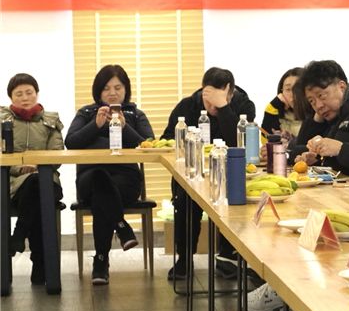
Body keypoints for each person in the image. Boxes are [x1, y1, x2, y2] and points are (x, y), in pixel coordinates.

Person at [161, 67, 256, 280]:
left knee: (236, 199)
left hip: (232, 171)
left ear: (230, 93)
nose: (212, 107)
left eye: (219, 100)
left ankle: (227, 257)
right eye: (209, 101)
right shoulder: (187, 106)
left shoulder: (244, 106)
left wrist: (224, 109)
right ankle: (185, 258)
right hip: (193, 171)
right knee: (184, 198)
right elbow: (167, 139)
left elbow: (239, 143)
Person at [65, 64, 154, 285]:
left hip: (126, 180)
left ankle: (101, 262)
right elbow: (71, 142)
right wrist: (95, 125)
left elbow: (148, 145)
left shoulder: (134, 114)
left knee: (102, 195)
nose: (112, 93)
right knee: (99, 178)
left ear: (126, 90)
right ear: (98, 91)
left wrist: (124, 127)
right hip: (89, 178)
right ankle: (121, 227)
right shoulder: (86, 113)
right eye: (106, 88)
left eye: (118, 87)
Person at [1, 73, 65, 284]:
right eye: (18, 94)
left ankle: (19, 235)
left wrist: (37, 167)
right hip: (13, 185)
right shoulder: (3, 121)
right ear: (11, 97)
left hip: (48, 181)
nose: (25, 97)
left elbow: (56, 154)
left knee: (37, 185)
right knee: (36, 197)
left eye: (29, 92)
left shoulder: (51, 120)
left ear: (37, 93)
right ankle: (40, 265)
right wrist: (20, 168)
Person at [290, 60, 349, 177]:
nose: (318, 106)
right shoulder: (338, 113)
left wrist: (325, 156)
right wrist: (317, 159)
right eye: (312, 101)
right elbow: (302, 146)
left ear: (342, 87)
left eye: (321, 96)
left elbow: (339, 160)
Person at [261, 67, 303, 141]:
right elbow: (266, 142)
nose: (293, 94)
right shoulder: (277, 114)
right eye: (288, 89)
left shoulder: (316, 115)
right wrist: (273, 107)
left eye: (298, 89)